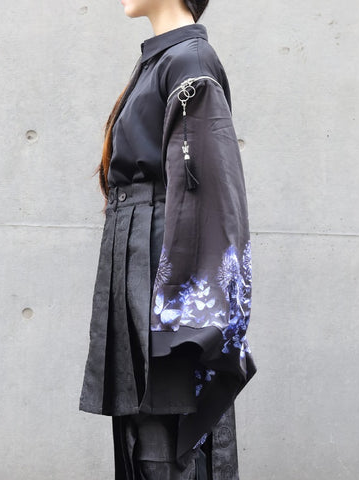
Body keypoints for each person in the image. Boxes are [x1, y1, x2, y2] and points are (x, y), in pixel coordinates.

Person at [79, 1, 257, 478]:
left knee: (169, 436)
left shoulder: (189, 62)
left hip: (163, 278)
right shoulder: (161, 60)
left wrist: (189, 320)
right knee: (144, 434)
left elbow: (213, 195)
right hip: (136, 262)